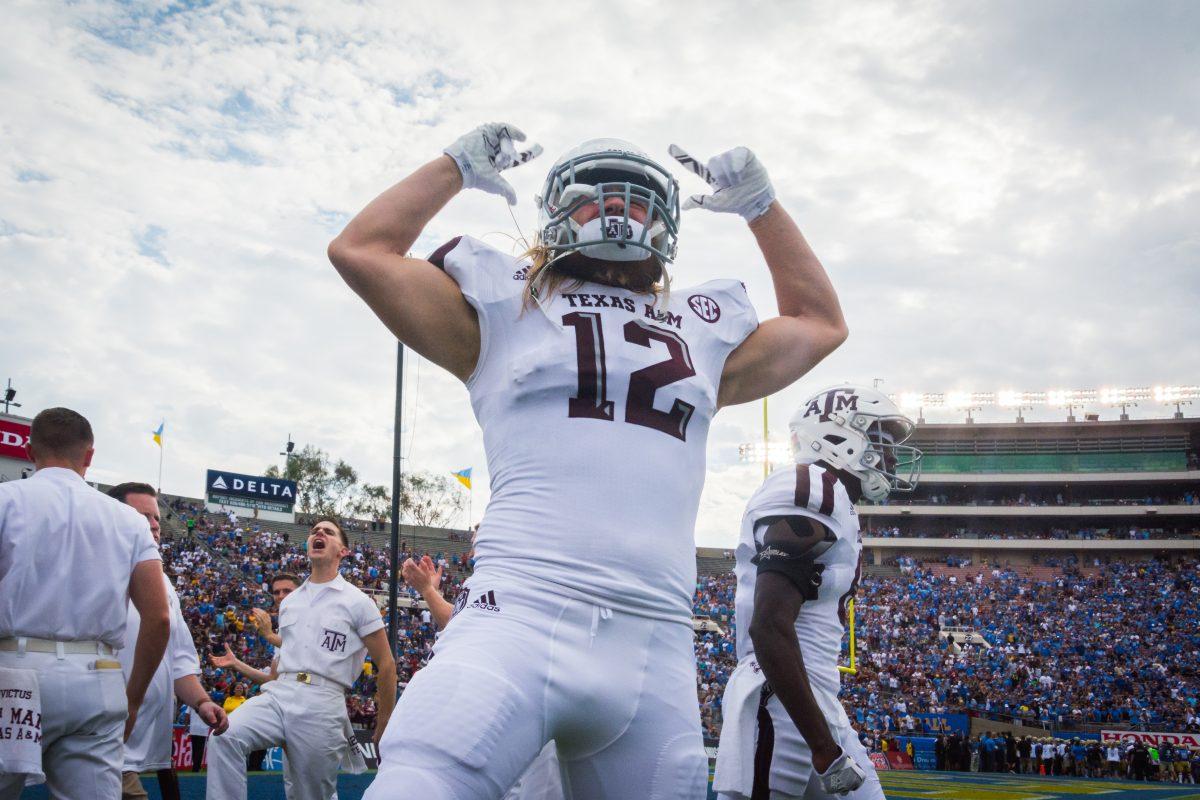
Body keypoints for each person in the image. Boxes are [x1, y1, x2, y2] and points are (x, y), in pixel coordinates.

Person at [330, 121, 847, 800]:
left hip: (653, 645)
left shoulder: (703, 327)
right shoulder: (506, 299)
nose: (616, 209)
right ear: (555, 214)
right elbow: (361, 251)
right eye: (595, 195)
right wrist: (453, 166)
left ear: (665, 222)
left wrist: (761, 206)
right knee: (419, 787)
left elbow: (819, 323)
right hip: (519, 613)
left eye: (636, 199)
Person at [713, 386, 922, 799]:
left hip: (814, 702)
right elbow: (769, 625)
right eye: (882, 440)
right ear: (840, 435)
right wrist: (824, 749)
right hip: (781, 702)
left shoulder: (835, 497)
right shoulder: (811, 485)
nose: (893, 457)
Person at [0, 407, 170, 798]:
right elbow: (158, 617)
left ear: (30, 452)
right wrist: (133, 700)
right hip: (97, 675)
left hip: (13, 667)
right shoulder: (129, 521)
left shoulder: (6, 500)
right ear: (89, 456)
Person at [205, 518, 396, 800]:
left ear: (343, 551)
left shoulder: (358, 602)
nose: (318, 533)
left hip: (323, 700)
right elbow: (284, 660)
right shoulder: (290, 603)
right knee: (225, 736)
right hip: (279, 692)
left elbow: (388, 665)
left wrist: (384, 723)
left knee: (309, 795)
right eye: (314, 531)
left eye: (328, 532)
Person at [108, 481, 229, 800]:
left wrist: (203, 702)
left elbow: (178, 662)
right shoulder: (98, 571)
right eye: (141, 516)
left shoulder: (163, 583)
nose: (153, 525)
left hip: (150, 746)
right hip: (108, 739)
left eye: (156, 518)